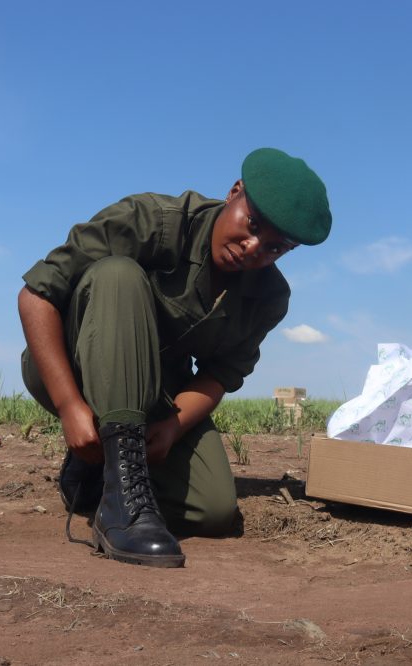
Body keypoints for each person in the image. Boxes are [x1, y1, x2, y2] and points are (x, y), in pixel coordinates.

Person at [17, 147, 332, 568]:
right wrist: (70, 405)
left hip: (156, 397)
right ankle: (121, 513)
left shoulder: (269, 297)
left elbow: (221, 374)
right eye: (252, 224)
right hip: (72, 371)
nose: (253, 247)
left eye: (275, 248)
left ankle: (105, 470)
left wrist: (173, 427)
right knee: (118, 275)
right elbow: (36, 295)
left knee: (214, 510)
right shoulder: (154, 220)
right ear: (234, 192)